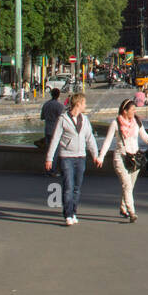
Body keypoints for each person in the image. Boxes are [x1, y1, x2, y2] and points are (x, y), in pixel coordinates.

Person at [97, 99, 148, 222]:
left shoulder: (136, 122)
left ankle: (123, 207)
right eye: (132, 109)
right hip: (120, 157)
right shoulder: (116, 123)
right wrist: (101, 156)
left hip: (134, 158)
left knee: (130, 186)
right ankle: (132, 212)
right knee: (127, 185)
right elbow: (107, 141)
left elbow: (144, 136)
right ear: (124, 111)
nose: (134, 111)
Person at [45, 93, 99, 226]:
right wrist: (49, 158)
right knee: (68, 186)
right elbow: (55, 139)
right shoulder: (63, 119)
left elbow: (90, 138)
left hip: (81, 156)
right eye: (84, 103)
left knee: (77, 187)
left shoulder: (85, 119)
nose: (86, 105)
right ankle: (68, 214)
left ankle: (74, 211)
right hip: (66, 156)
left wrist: (95, 155)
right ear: (78, 104)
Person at [40, 88, 66, 174]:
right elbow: (63, 119)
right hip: (56, 131)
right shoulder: (60, 106)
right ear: (58, 95)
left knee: (49, 151)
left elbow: (42, 117)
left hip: (47, 129)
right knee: (55, 152)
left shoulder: (46, 104)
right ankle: (52, 170)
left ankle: (47, 170)